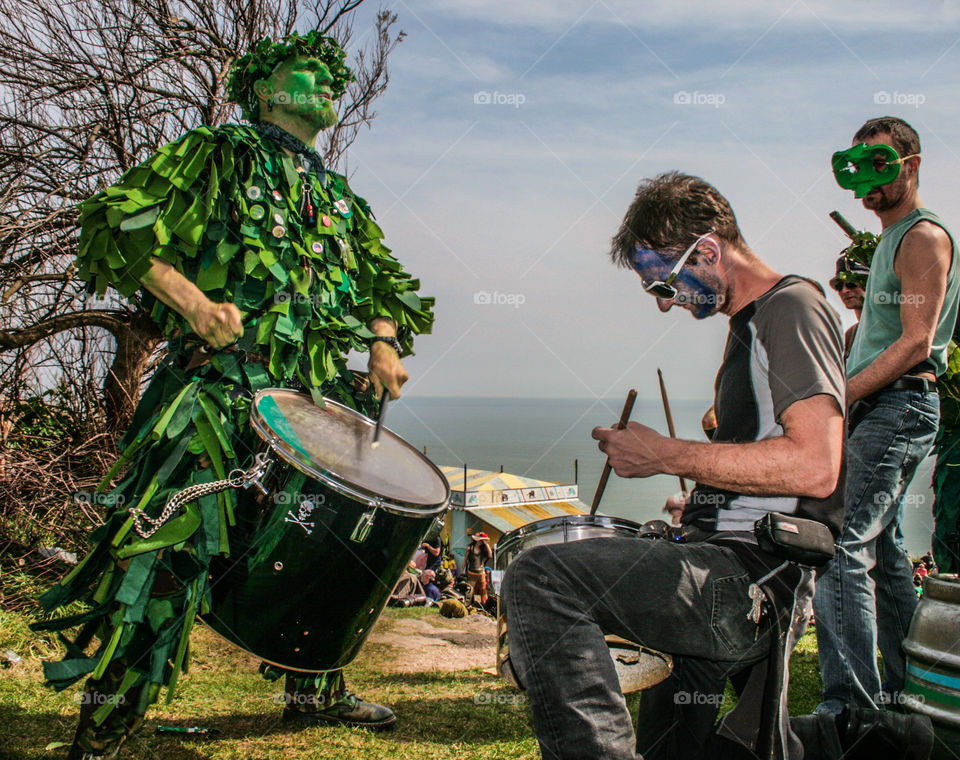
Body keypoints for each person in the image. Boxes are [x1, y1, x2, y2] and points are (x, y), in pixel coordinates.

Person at [32, 30, 435, 759]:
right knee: (166, 541)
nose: (323, 82)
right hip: (215, 393)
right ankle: (110, 719)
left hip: (309, 401)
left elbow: (387, 286)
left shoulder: (340, 199)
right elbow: (110, 222)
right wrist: (193, 304)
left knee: (326, 543)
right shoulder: (217, 152)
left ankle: (315, 689)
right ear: (262, 89)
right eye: (303, 71)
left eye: (327, 76)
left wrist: (382, 339)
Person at [502, 171, 933, 760]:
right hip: (717, 560)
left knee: (542, 578)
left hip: (743, 580)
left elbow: (816, 466)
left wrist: (664, 454)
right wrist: (702, 497)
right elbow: (761, 463)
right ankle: (863, 738)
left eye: (665, 282)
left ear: (707, 251)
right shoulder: (749, 324)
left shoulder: (793, 308)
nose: (663, 303)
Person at [814, 116, 960, 714]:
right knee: (888, 550)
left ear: (912, 164)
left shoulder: (922, 237)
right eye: (858, 164)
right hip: (887, 402)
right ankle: (907, 688)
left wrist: (841, 395)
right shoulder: (889, 240)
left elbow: (915, 342)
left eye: (882, 162)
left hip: (899, 401)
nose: (868, 178)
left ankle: (851, 708)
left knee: (841, 544)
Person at [828, 254, 870, 359]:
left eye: (851, 283)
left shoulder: (889, 325)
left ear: (869, 283)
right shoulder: (850, 335)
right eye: (839, 286)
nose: (844, 291)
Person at [463, 531, 493, 604]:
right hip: (472, 572)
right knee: (470, 589)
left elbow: (490, 555)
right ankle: (469, 603)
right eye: (480, 540)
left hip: (481, 573)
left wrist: (486, 544)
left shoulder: (483, 549)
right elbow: (465, 560)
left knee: (483, 589)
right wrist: (462, 570)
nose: (480, 542)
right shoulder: (470, 548)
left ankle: (483, 603)